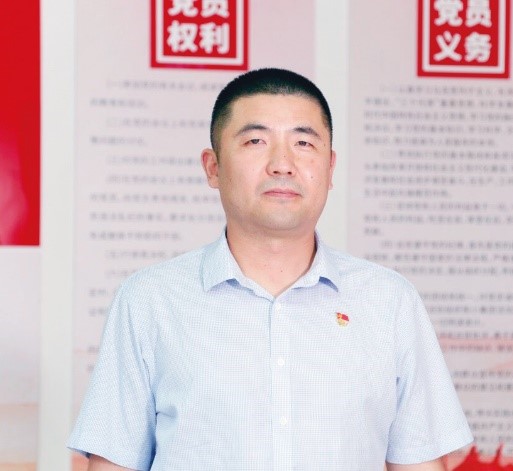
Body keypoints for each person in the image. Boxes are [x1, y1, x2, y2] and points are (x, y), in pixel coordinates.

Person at [68, 68, 473, 470]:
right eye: (256, 141)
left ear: (330, 168)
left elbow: (418, 463)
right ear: (213, 167)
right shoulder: (150, 299)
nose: (283, 164)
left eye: (303, 143)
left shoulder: (389, 300)